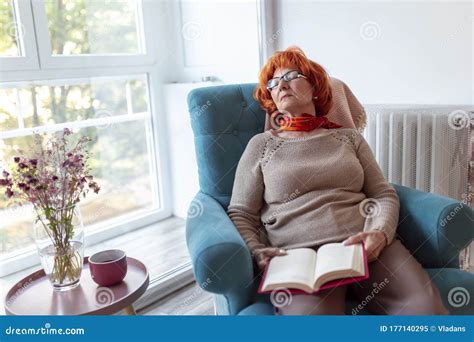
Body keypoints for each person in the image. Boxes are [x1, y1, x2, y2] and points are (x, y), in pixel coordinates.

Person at [226, 46, 449, 315]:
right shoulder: (261, 145)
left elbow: (383, 194)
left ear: (315, 86)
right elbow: (241, 212)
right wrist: (256, 250)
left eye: (291, 76)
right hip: (298, 257)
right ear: (271, 97)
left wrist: (379, 233)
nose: (281, 84)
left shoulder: (348, 138)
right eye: (273, 82)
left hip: (366, 245)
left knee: (425, 309)